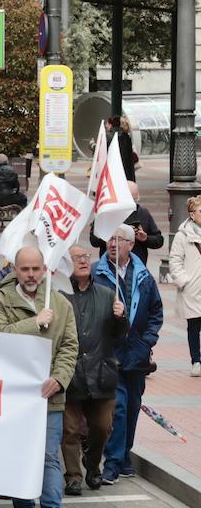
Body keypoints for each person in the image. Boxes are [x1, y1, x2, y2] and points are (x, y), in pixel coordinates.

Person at [0, 246, 78, 508]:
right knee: (20, 457)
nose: (30, 275)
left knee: (49, 458)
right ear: (15, 269)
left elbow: (69, 346)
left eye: (35, 269)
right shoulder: (2, 300)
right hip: (15, 398)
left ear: (44, 270)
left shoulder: (61, 304)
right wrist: (34, 321)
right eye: (24, 269)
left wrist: (60, 379)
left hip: (49, 397)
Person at [94, 225, 163, 486]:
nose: (113, 243)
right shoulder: (97, 273)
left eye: (119, 239)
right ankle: (111, 463)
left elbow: (156, 312)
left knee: (132, 407)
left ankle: (123, 458)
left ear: (131, 245)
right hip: (110, 354)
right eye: (110, 238)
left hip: (137, 355)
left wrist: (147, 342)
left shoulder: (143, 275)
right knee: (119, 408)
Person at [62, 243, 126, 496]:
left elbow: (120, 335)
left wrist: (121, 318)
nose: (83, 261)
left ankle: (92, 462)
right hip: (69, 375)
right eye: (76, 258)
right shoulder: (58, 295)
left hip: (101, 374)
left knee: (102, 427)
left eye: (86, 256)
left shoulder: (107, 294)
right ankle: (73, 476)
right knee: (70, 430)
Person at [169, 195, 201, 377]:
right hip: (192, 289)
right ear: (192, 214)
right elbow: (175, 260)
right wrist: (184, 282)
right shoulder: (183, 236)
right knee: (194, 326)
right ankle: (196, 361)